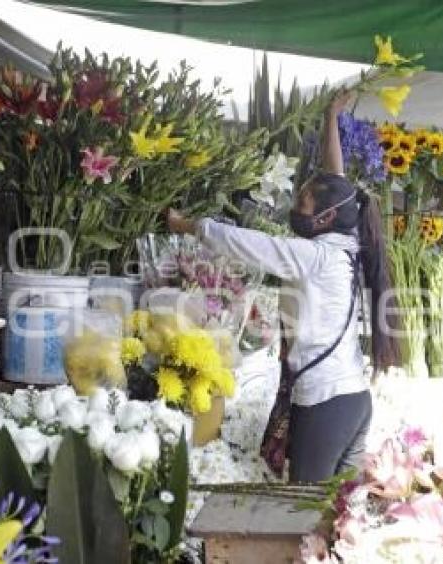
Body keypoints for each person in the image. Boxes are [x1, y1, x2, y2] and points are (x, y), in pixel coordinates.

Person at [167, 92, 399, 482]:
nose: (296, 206)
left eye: (303, 202)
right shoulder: (345, 236)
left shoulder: (314, 258)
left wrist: (188, 225)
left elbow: (249, 244)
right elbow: (335, 182)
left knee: (302, 513)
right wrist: (330, 119)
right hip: (353, 400)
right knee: (337, 514)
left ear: (325, 218)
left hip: (325, 405)